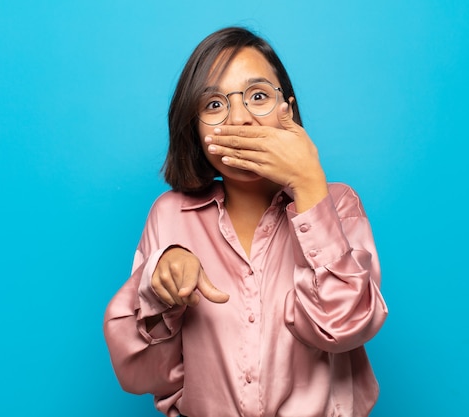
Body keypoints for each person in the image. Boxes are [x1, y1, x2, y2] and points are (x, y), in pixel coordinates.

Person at [104, 26, 388, 417]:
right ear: (195, 127)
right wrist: (160, 288)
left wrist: (307, 184)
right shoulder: (169, 215)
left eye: (257, 97)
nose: (239, 120)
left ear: (287, 110)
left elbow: (345, 327)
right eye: (214, 104)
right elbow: (140, 375)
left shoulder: (337, 204)